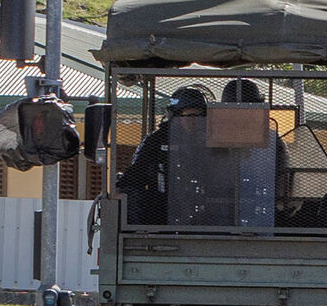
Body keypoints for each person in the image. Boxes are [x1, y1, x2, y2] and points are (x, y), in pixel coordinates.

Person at [117, 85, 208, 225]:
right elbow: (135, 175)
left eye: (200, 115)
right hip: (162, 218)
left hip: (204, 216)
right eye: (190, 116)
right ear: (175, 116)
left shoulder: (211, 141)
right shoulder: (157, 140)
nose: (195, 121)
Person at [219, 78, 292, 221]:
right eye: (234, 112)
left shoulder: (272, 140)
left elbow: (282, 178)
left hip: (262, 207)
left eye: (247, 111)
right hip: (222, 208)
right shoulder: (215, 139)